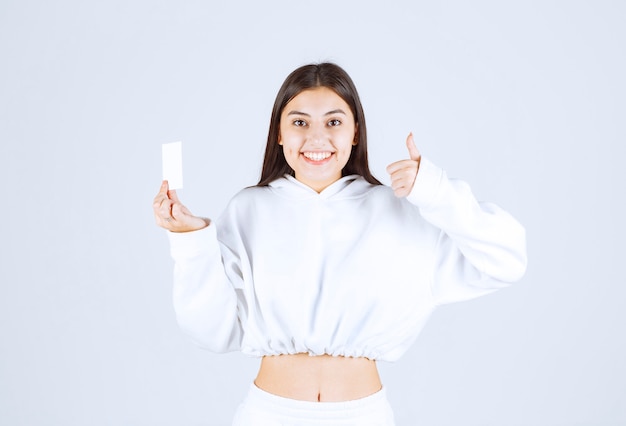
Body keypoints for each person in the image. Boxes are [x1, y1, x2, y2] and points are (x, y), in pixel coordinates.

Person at [152, 62, 527, 425]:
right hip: (268, 414)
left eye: (333, 122)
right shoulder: (250, 209)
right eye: (300, 122)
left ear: (356, 133)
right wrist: (191, 240)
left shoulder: (399, 212)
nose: (317, 139)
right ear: (279, 133)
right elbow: (210, 330)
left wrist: (437, 193)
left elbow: (506, 261)